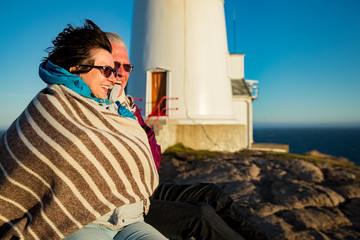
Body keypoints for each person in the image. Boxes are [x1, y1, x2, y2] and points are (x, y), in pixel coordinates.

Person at [0, 20, 166, 240]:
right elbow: (20, 164)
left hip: (132, 220)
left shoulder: (120, 110)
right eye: (107, 70)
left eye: (118, 69)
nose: (113, 77)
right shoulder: (51, 107)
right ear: (77, 69)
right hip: (79, 222)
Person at [106, 32, 270, 240]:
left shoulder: (126, 105)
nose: (120, 72)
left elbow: (152, 154)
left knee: (212, 194)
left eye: (127, 67)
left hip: (144, 188)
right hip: (122, 199)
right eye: (113, 65)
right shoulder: (98, 104)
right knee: (200, 215)